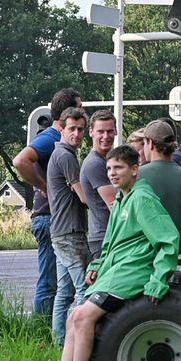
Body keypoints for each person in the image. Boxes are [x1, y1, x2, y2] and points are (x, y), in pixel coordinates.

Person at [54, 145, 180, 361]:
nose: (112, 173)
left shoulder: (143, 200)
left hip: (132, 272)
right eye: (109, 168)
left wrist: (158, 281)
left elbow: (168, 240)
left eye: (118, 168)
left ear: (135, 169)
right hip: (116, 270)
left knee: (83, 318)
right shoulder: (123, 198)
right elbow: (111, 243)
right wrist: (97, 265)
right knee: (73, 318)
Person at [13, 87, 82, 320]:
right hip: (48, 217)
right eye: (78, 107)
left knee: (59, 283)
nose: (82, 111)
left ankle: (53, 331)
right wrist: (44, 187)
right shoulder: (50, 138)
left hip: (52, 216)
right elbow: (21, 160)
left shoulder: (59, 142)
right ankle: (41, 327)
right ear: (66, 112)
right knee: (50, 281)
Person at [46, 107, 90, 346]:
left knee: (64, 293)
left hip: (60, 232)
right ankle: (80, 344)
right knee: (84, 288)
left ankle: (59, 343)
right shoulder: (66, 156)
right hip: (70, 233)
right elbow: (84, 197)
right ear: (61, 129)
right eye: (71, 129)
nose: (76, 134)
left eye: (80, 129)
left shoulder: (59, 155)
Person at [138, 119, 181, 254]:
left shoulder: (136, 176)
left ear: (151, 143)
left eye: (144, 143)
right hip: (176, 252)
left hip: (145, 254)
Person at [79, 111, 119, 259]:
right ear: (91, 132)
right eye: (100, 131)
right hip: (104, 240)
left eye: (109, 131)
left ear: (115, 131)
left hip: (109, 237)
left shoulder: (108, 161)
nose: (105, 136)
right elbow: (116, 205)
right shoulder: (95, 164)